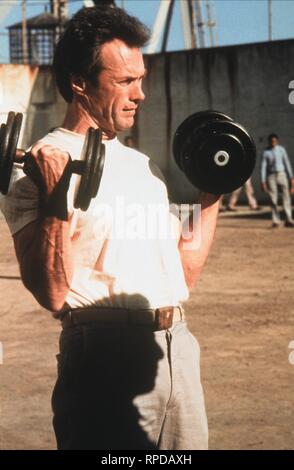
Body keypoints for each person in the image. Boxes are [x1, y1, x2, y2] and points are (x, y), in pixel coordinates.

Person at [0, 6, 220, 450]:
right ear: (79, 81)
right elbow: (52, 292)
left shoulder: (143, 167)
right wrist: (57, 200)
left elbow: (182, 276)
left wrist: (212, 192)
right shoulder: (36, 168)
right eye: (125, 81)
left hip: (176, 349)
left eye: (141, 79)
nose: (141, 94)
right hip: (104, 355)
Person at [261, 133, 294, 227]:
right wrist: (263, 181)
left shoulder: (281, 150)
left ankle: (289, 219)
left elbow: (287, 163)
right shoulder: (266, 152)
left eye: (274, 141)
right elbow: (264, 167)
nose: (273, 143)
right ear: (269, 142)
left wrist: (291, 177)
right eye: (271, 141)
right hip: (271, 176)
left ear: (277, 141)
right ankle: (276, 220)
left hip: (282, 174)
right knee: (273, 198)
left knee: (286, 197)